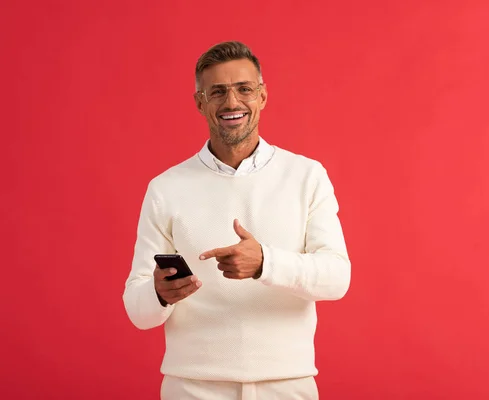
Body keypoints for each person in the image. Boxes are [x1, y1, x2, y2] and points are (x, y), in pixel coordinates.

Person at [122, 41, 351, 400]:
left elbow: (337, 278)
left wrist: (266, 263)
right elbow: (138, 309)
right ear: (200, 102)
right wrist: (158, 294)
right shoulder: (165, 188)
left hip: (287, 386)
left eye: (244, 89)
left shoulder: (307, 176)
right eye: (218, 92)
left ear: (262, 96)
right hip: (191, 388)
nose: (232, 103)